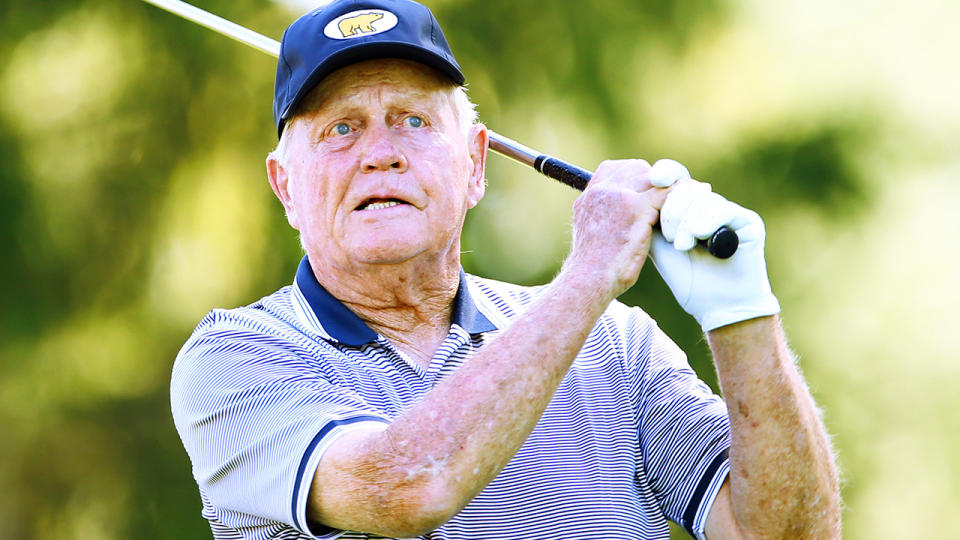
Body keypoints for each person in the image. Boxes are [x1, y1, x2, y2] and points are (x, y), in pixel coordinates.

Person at [171, 0, 842, 538]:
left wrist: (742, 316)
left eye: (412, 120)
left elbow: (786, 536)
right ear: (285, 185)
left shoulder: (620, 347)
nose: (381, 152)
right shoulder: (236, 357)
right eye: (341, 128)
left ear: (475, 164)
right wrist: (589, 273)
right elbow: (408, 485)